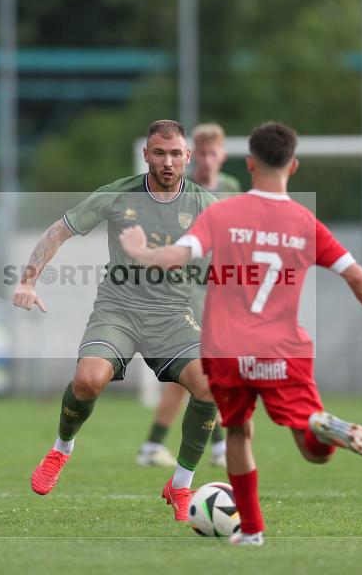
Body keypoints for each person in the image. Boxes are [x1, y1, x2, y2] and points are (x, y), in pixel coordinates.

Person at [120, 121, 362, 546]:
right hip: (284, 350)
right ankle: (321, 427)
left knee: (238, 432)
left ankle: (252, 532)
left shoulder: (221, 212)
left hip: (226, 350)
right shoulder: (304, 222)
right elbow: (356, 274)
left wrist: (141, 251)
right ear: (293, 166)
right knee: (312, 451)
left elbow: (178, 256)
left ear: (250, 164)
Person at [13, 119, 219, 522]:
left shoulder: (206, 205)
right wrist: (27, 281)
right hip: (118, 310)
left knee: (211, 383)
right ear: (146, 154)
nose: (167, 161)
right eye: (159, 153)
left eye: (176, 153)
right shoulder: (117, 195)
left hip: (172, 317)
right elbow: (59, 231)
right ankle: (61, 448)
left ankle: (180, 485)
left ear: (187, 157)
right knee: (87, 381)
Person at [137, 123, 239, 470]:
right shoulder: (179, 187)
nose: (209, 160)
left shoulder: (229, 188)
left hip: (217, 287)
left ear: (222, 155)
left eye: (215, 153)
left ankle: (153, 445)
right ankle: (220, 446)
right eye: (204, 153)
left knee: (193, 376)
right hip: (186, 290)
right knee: (202, 369)